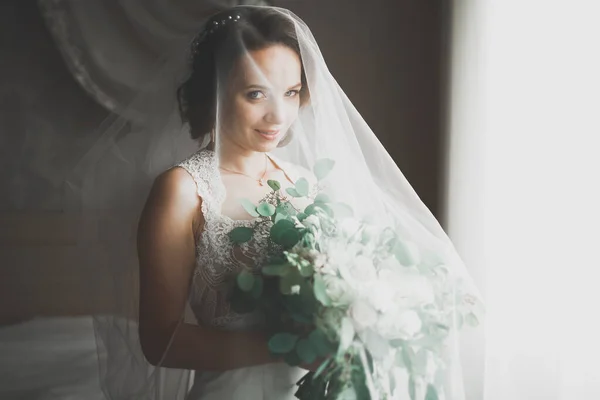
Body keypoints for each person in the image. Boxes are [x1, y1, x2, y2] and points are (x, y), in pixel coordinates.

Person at [79, 5, 482, 400]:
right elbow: (160, 342)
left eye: (291, 93)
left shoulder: (305, 185)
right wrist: (293, 346)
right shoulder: (183, 190)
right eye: (256, 94)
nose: (278, 115)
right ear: (215, 92)